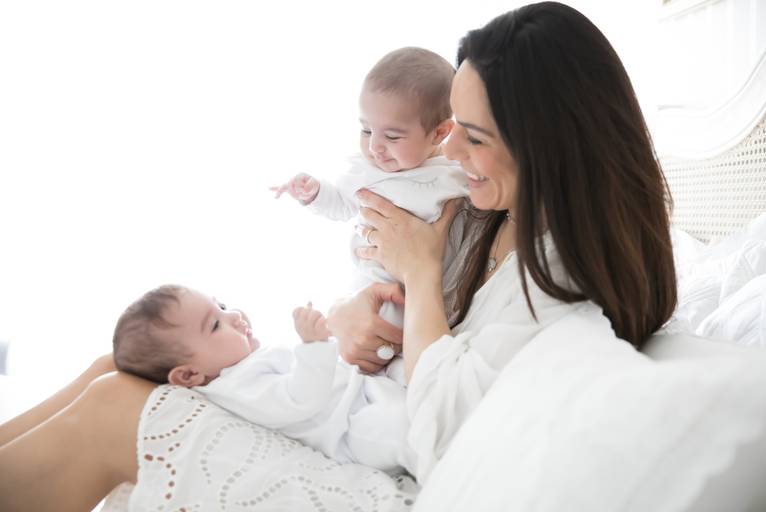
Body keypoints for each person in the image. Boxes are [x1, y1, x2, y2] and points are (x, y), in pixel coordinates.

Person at [0, 2, 677, 511]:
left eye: (470, 136)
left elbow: (441, 430)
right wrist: (353, 312)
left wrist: (416, 272)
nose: (446, 152)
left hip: (396, 473)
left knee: (116, 408)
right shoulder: (489, 211)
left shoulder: (559, 277)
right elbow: (393, 291)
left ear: (547, 144)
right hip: (364, 398)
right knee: (115, 366)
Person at [271, 46, 467, 366]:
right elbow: (342, 205)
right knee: (359, 353)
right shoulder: (366, 171)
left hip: (431, 292)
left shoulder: (453, 174)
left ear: (440, 132)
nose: (375, 146)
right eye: (366, 129)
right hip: (372, 283)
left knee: (396, 357)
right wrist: (315, 193)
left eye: (393, 136)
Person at [112, 284, 413, 475]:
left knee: (407, 369)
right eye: (215, 324)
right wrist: (313, 345)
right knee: (401, 428)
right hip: (349, 430)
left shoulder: (244, 365)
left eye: (222, 306)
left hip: (363, 393)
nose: (235, 316)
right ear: (189, 374)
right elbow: (299, 399)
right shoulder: (235, 388)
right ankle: (427, 452)